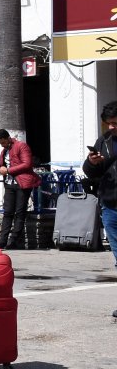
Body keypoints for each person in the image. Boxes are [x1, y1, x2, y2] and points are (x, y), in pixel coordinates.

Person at [82, 102, 117, 280]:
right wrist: (92, 163)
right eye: (109, 123)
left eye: (115, 123)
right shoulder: (104, 141)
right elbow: (90, 172)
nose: (111, 127)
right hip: (110, 204)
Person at [0, 129, 40, 250]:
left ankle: (13, 240)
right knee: (8, 212)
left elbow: (27, 163)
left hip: (22, 183)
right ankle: (2, 241)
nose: (2, 145)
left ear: (8, 138)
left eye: (3, 142)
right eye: (0, 143)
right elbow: (2, 165)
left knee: (20, 212)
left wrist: (8, 170)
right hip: (9, 183)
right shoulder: (4, 151)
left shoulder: (21, 146)